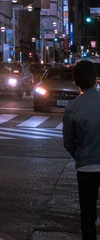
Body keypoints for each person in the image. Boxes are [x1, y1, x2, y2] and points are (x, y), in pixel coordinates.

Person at [63, 60, 100, 240]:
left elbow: (68, 142)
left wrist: (80, 156)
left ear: (75, 81)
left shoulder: (72, 108)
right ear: (95, 80)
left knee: (87, 213)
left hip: (86, 167)